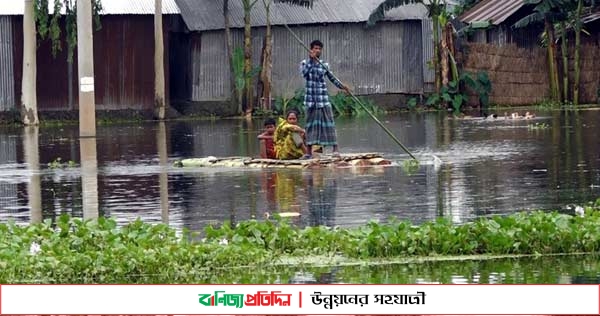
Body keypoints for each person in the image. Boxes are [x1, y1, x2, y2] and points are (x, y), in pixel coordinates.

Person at [299, 39, 351, 159]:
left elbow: (332, 78)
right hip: (311, 101)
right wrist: (311, 60)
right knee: (310, 126)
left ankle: (335, 150)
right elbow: (305, 74)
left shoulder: (324, 65)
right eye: (315, 48)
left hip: (323, 100)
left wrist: (342, 87)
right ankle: (308, 152)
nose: (317, 50)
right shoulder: (304, 63)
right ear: (311, 49)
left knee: (329, 124)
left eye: (319, 49)